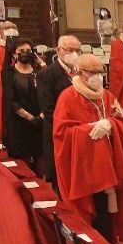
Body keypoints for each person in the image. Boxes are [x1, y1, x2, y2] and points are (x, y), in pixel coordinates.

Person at [52, 53, 123, 243]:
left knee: (108, 207)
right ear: (80, 73)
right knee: (93, 206)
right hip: (85, 166)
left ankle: (110, 242)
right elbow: (61, 133)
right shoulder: (67, 97)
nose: (98, 77)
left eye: (101, 73)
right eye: (92, 73)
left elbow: (122, 121)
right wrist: (88, 130)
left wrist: (110, 124)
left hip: (109, 163)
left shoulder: (107, 95)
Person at [36, 34, 82, 182]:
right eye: (70, 50)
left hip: (80, 131)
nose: (74, 54)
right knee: (60, 175)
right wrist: (70, 124)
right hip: (59, 130)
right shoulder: (46, 74)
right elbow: (48, 109)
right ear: (58, 50)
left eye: (78, 50)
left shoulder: (82, 72)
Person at [3, 40, 44, 168]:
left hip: (40, 120)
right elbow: (10, 100)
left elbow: (46, 95)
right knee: (22, 162)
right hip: (19, 121)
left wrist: (41, 116)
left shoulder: (39, 71)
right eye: (21, 51)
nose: (25, 53)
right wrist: (29, 117)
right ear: (14, 54)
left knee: (40, 160)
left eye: (28, 50)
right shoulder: (8, 73)